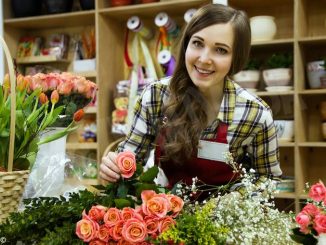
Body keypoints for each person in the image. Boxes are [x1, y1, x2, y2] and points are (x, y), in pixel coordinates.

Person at [100, 3, 282, 189]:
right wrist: (114, 168)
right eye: (198, 43)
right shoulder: (155, 96)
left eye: (221, 50)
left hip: (225, 216)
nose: (204, 59)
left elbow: (268, 179)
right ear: (186, 45)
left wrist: (234, 205)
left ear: (236, 58)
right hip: (164, 213)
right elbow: (130, 161)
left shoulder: (255, 114)